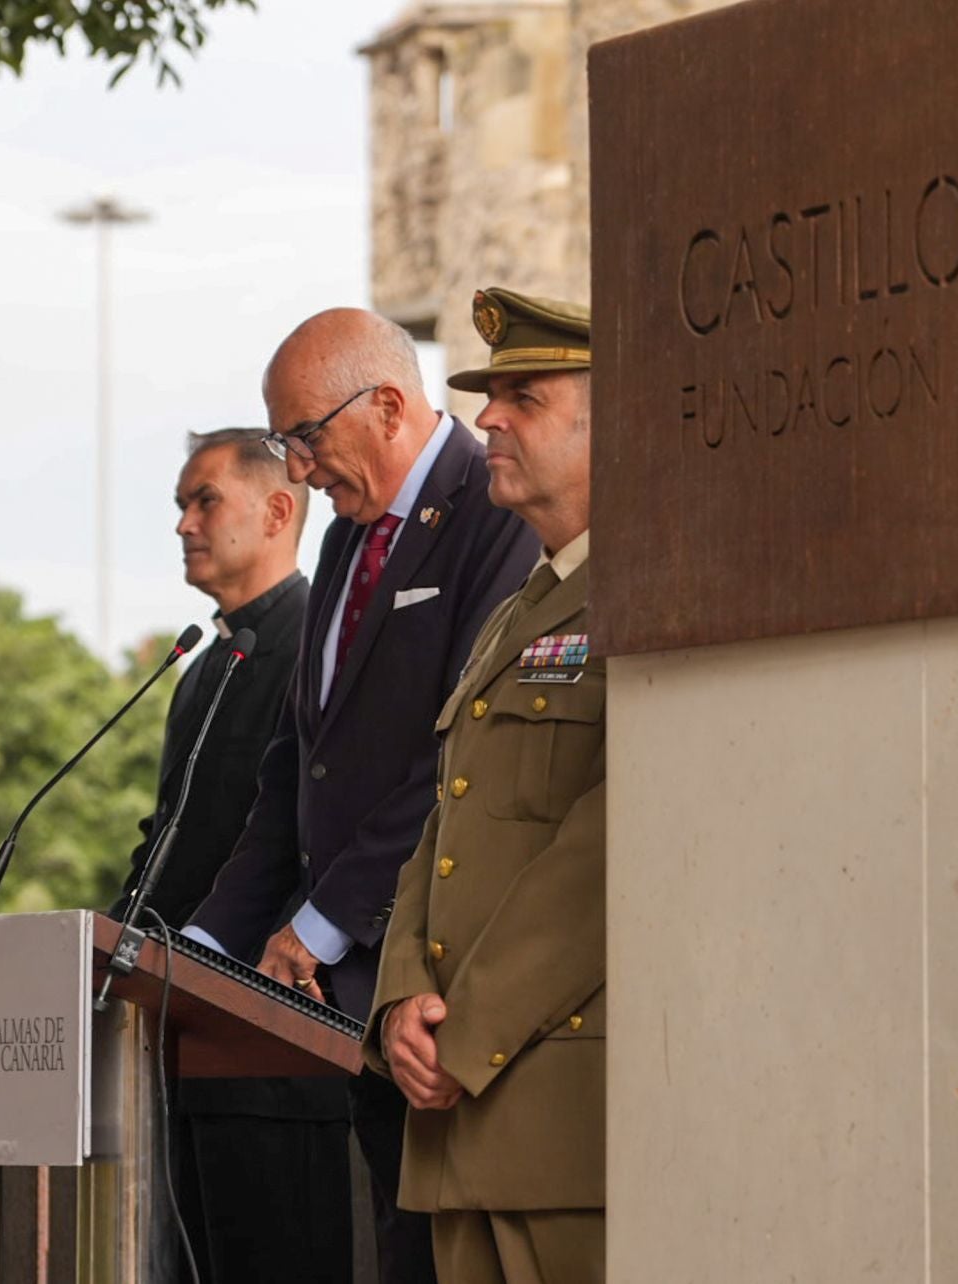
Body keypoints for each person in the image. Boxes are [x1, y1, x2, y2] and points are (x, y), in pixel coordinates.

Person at [187, 309, 538, 1282]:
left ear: (387, 404)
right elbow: (301, 767)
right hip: (346, 1004)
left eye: (305, 437)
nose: (297, 470)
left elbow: (455, 757)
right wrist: (210, 948)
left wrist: (321, 922)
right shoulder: (348, 538)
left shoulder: (495, 512)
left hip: (436, 983)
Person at [364, 288, 606, 1284]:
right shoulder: (518, 614)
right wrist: (401, 997)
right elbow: (444, 823)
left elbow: (611, 849)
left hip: (554, 1120)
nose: (488, 420)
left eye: (525, 398)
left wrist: (468, 1033)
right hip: (456, 1125)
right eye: (490, 397)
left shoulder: (652, 596)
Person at [107, 427, 352, 1284]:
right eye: (179, 504)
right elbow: (172, 832)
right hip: (181, 1038)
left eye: (203, 500)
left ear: (280, 508)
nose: (183, 523)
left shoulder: (325, 643)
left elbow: (319, 830)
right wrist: (102, 940)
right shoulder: (202, 667)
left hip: (275, 1039)